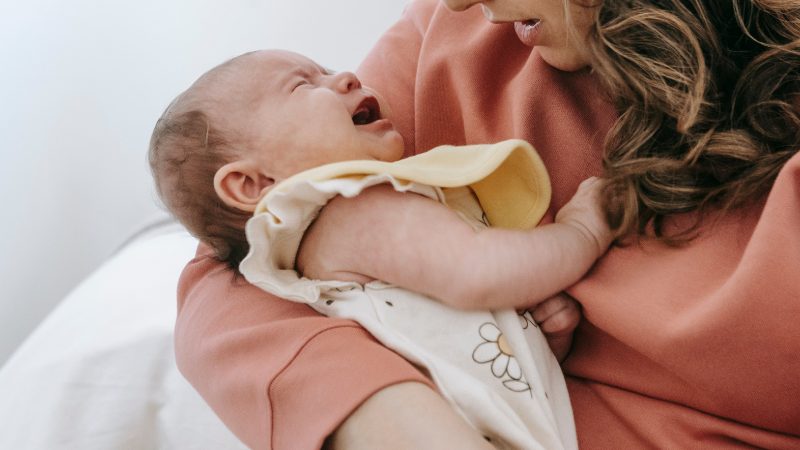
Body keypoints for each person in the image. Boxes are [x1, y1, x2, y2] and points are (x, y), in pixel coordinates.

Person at [172, 0, 800, 449]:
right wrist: (387, 413)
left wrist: (518, 337)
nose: (458, 3)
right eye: (302, 83)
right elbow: (224, 274)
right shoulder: (346, 185)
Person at [150, 48, 615, 450]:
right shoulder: (351, 211)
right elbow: (479, 273)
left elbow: (449, 344)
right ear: (252, 183)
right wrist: (582, 233)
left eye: (327, 69)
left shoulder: (351, 229)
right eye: (302, 85)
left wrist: (536, 335)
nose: (346, 77)